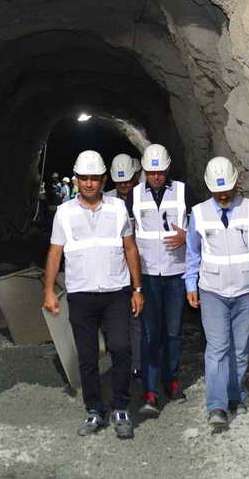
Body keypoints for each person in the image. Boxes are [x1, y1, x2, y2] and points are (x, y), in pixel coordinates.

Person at [42, 150, 144, 440]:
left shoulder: (117, 208)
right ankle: (94, 410)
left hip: (115, 293)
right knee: (87, 357)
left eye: (94, 178)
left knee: (121, 348)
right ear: (76, 179)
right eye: (84, 178)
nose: (89, 183)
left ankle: (121, 407)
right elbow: (55, 252)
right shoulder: (65, 212)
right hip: (81, 294)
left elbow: (130, 248)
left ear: (104, 179)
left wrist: (137, 289)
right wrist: (48, 290)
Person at [184, 157, 249, 433]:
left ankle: (235, 394)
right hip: (212, 291)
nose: (222, 196)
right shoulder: (199, 213)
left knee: (240, 348)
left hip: (245, 290)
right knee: (218, 347)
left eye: (227, 190)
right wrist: (190, 284)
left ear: (237, 184)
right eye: (217, 192)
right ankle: (217, 405)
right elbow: (192, 253)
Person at [132, 144, 189, 416]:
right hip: (147, 274)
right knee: (150, 333)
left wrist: (187, 236)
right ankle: (150, 390)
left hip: (175, 272)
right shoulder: (134, 194)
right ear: (144, 170)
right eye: (151, 172)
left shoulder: (182, 192)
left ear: (168, 170)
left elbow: (201, 225)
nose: (156, 176)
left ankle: (171, 380)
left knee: (174, 332)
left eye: (161, 172)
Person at [107, 153, 143, 378]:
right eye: (120, 182)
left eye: (128, 181)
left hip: (140, 266)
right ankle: (120, 361)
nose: (124, 186)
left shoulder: (144, 197)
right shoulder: (107, 200)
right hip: (116, 267)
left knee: (137, 317)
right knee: (117, 318)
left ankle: (137, 363)